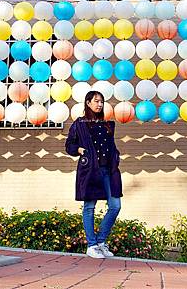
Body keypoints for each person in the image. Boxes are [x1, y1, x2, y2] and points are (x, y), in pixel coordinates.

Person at [65, 90, 123, 259]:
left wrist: (116, 155)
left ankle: (101, 241)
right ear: (88, 102)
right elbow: (69, 145)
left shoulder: (106, 124)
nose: (100, 104)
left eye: (102, 102)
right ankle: (92, 245)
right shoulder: (80, 123)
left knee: (115, 206)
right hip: (91, 170)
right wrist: (78, 149)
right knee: (89, 207)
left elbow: (111, 145)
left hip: (108, 171)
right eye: (96, 101)